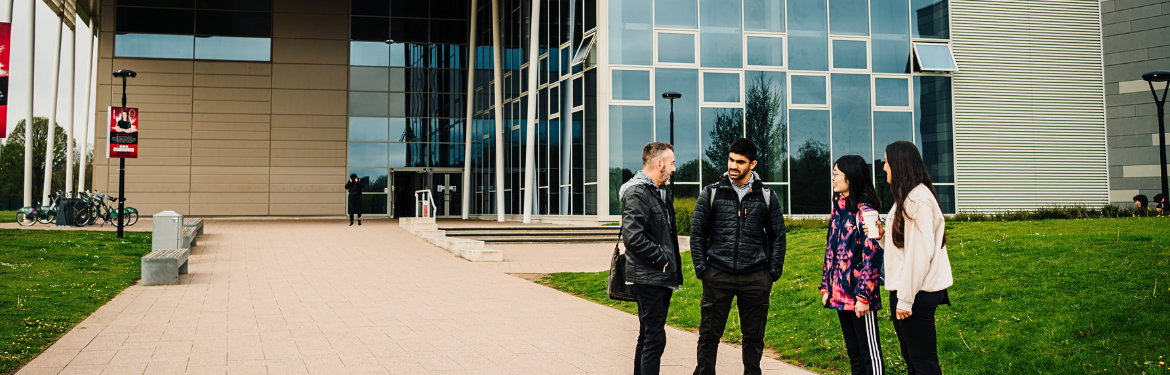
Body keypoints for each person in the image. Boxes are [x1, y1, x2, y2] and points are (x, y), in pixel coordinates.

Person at [690, 138, 787, 375]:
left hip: (756, 277)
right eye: (731, 160)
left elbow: (778, 236)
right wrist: (703, 270)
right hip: (718, 275)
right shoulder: (711, 193)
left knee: (754, 337)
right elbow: (697, 234)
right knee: (709, 335)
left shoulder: (766, 196)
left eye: (740, 162)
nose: (733, 165)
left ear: (752, 164)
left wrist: (772, 273)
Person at [874, 141, 953, 375]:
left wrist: (905, 300)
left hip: (916, 294)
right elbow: (905, 245)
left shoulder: (917, 200)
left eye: (887, 162)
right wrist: (882, 236)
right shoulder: (907, 197)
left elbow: (919, 255)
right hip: (908, 291)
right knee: (913, 361)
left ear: (899, 164)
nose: (884, 168)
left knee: (923, 364)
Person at [618, 141, 684, 375]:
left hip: (658, 276)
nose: (674, 169)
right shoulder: (637, 192)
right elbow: (632, 237)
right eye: (671, 163)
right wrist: (663, 258)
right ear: (659, 164)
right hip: (649, 277)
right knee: (655, 339)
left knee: (647, 336)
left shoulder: (656, 192)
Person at [821, 155, 885, 375]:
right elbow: (831, 250)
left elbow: (873, 256)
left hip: (859, 297)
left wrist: (864, 297)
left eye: (836, 173)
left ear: (850, 177)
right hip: (840, 295)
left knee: (870, 355)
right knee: (854, 355)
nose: (833, 178)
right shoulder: (838, 208)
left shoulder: (866, 212)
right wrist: (826, 287)